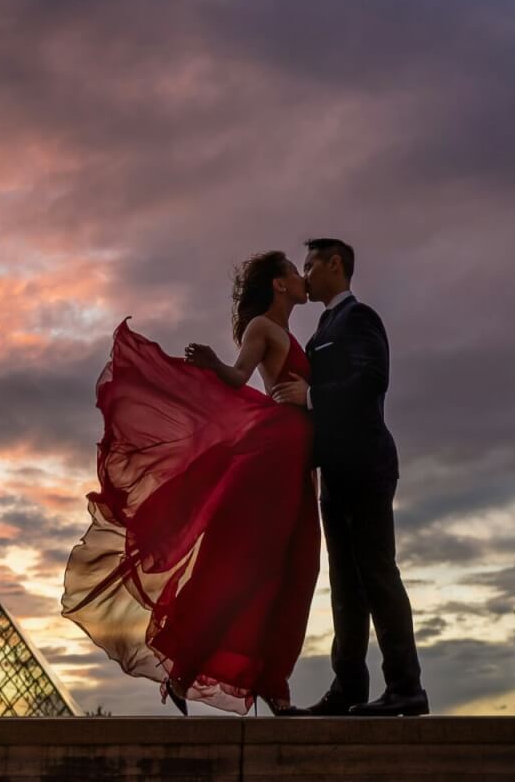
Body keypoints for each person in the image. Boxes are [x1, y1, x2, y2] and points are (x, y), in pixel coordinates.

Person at [60, 251, 319, 715]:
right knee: (251, 565)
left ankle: (273, 682)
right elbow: (240, 376)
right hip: (277, 454)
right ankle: (191, 670)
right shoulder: (264, 327)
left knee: (298, 569)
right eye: (296, 272)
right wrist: (214, 363)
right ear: (280, 285)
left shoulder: (291, 333)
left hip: (300, 459)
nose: (304, 279)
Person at [270, 238, 427, 717]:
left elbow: (372, 379)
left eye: (312, 265)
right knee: (345, 584)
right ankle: (350, 686)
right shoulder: (324, 327)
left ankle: (406, 687)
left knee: (377, 574)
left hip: (365, 465)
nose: (307, 274)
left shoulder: (359, 318)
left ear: (336, 265)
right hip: (336, 471)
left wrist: (312, 395)